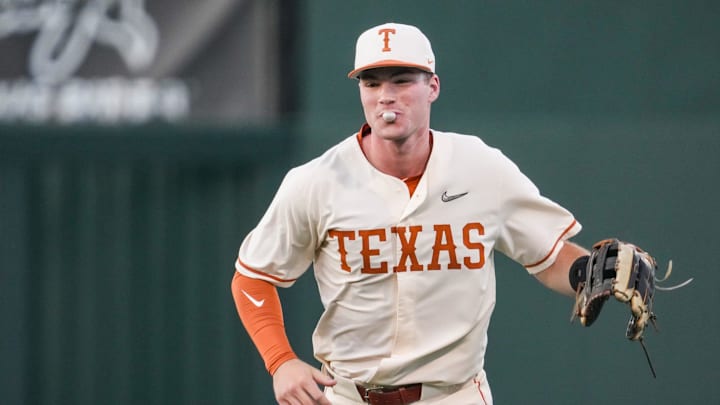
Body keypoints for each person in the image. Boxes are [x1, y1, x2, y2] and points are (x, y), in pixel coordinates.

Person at [231, 22, 590, 405]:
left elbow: (550, 256)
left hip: (454, 395)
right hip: (350, 396)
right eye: (371, 84)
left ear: (432, 87)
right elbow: (252, 278)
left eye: (402, 81)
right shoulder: (317, 181)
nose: (386, 96)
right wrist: (281, 361)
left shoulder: (482, 168)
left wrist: (586, 271)